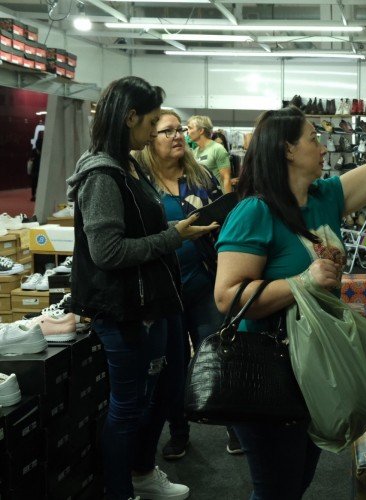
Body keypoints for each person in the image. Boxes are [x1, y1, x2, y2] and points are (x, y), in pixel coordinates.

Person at [213, 76, 366, 499]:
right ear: (288, 149)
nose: (323, 144)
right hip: (269, 370)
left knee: (299, 479)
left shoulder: (322, 196)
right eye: (313, 137)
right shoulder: (254, 212)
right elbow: (226, 296)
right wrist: (301, 281)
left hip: (315, 364)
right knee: (276, 488)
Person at [66, 76, 216, 500]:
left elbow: (139, 228)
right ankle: (121, 489)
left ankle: (142, 472)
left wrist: (178, 229)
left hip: (156, 300)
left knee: (167, 390)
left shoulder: (128, 166)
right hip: (126, 309)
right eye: (152, 122)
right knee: (128, 406)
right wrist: (174, 237)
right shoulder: (101, 174)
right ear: (130, 117)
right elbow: (108, 252)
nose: (155, 132)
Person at [135, 110, 244, 459]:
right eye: (167, 131)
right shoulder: (140, 185)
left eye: (180, 129)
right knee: (170, 368)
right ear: (150, 139)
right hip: (163, 288)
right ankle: (179, 433)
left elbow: (224, 218)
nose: (177, 135)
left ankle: (234, 428)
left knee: (218, 355)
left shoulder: (202, 177)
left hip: (203, 282)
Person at [187, 115, 232, 193]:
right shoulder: (195, 151)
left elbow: (226, 179)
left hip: (218, 199)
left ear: (201, 131)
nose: (188, 132)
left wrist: (228, 202)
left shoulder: (218, 149)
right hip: (203, 199)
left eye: (190, 128)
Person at [29, 133, 43, 201]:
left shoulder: (34, 151)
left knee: (34, 183)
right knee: (38, 183)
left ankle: (34, 195)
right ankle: (38, 195)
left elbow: (31, 160)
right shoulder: (44, 152)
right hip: (40, 169)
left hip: (35, 169)